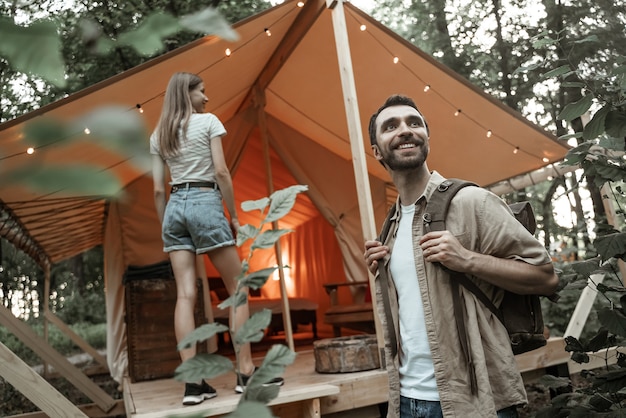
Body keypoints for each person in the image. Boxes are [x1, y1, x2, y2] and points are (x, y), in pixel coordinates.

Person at [363, 94, 559, 418]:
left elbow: (546, 276)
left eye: (414, 123)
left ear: (427, 137)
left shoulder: (471, 201)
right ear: (376, 150)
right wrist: (383, 273)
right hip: (406, 400)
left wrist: (466, 259)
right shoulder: (390, 228)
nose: (405, 130)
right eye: (391, 126)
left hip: (476, 401)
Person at [150, 72, 283, 406]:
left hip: (174, 207)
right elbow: (221, 172)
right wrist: (234, 215)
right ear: (187, 93)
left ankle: (193, 384)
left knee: (185, 295)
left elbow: (156, 189)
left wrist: (166, 224)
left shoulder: (159, 134)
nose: (206, 98)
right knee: (238, 290)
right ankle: (246, 373)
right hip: (205, 202)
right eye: (202, 91)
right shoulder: (208, 122)